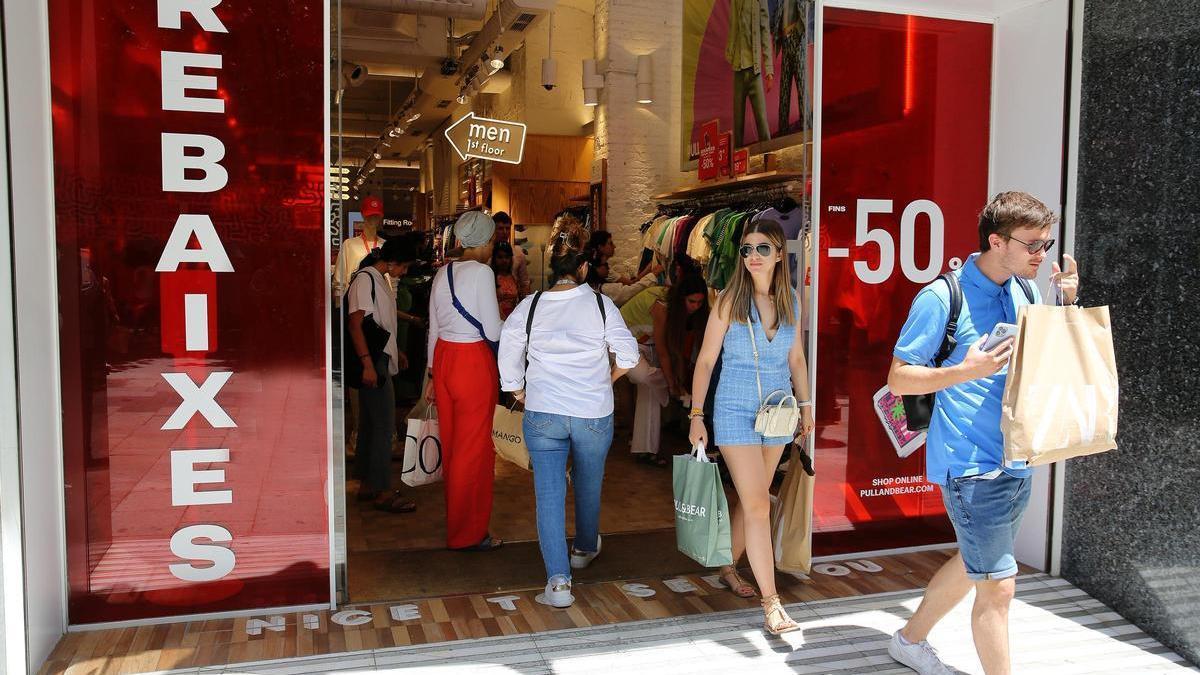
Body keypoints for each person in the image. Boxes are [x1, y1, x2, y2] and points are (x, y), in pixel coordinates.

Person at [886, 192, 1079, 675]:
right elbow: (899, 378)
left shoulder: (1026, 290)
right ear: (997, 241)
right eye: (1032, 244)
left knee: (979, 565)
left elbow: (1046, 356)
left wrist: (1067, 302)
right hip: (971, 467)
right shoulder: (940, 297)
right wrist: (963, 371)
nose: (1042, 253)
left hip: (1017, 457)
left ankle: (909, 641)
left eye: (1046, 242)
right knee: (999, 586)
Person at [498, 222, 640, 609]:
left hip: (543, 411)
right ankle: (582, 549)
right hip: (593, 411)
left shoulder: (531, 306)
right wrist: (606, 380)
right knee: (589, 482)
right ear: (582, 268)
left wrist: (517, 388)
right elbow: (628, 356)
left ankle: (559, 583)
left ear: (552, 267)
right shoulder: (599, 303)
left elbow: (508, 347)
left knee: (548, 493)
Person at [688, 218, 813, 635]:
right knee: (759, 504)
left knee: (753, 499)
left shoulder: (792, 299)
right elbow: (706, 360)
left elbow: (796, 359)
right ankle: (772, 603)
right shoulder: (728, 300)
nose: (753, 256)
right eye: (746, 250)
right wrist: (696, 416)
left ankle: (727, 565)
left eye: (762, 248)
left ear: (780, 254)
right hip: (735, 411)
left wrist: (806, 404)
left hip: (778, 412)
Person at [425, 211, 505, 551]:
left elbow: (434, 328)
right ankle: (469, 533)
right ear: (486, 241)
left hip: (443, 360)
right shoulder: (483, 272)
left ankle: (457, 525)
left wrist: (430, 374)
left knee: (455, 446)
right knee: (474, 452)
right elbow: (492, 330)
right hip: (472, 362)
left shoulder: (442, 273)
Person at [346, 237, 420, 514]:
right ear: (393, 261)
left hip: (377, 357)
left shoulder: (377, 278)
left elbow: (380, 320)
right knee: (383, 425)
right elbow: (356, 324)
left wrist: (396, 349)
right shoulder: (367, 279)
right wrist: (367, 363)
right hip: (373, 360)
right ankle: (382, 490)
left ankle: (368, 484)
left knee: (371, 423)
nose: (404, 272)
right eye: (404, 266)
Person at [624, 272, 709, 466]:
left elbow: (674, 351)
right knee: (647, 377)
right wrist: (672, 383)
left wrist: (675, 378)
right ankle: (678, 394)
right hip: (624, 344)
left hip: (645, 344)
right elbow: (664, 352)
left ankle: (645, 449)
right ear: (681, 298)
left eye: (699, 303)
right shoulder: (661, 306)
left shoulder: (676, 308)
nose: (695, 307)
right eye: (692, 301)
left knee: (651, 388)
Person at [584, 247, 661, 307]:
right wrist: (652, 274)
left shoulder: (591, 286)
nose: (608, 267)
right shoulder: (604, 289)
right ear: (596, 268)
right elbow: (631, 290)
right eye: (605, 265)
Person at [493, 211, 530, 295]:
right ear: (493, 229)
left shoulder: (518, 254)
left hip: (513, 300)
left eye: (507, 228)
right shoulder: (486, 254)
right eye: (501, 228)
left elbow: (525, 283)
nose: (505, 232)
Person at [492, 240, 523, 320]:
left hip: (513, 319)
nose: (504, 260)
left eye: (507, 257)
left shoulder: (513, 277)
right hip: (496, 319)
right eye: (500, 257)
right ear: (494, 259)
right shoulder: (490, 278)